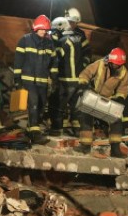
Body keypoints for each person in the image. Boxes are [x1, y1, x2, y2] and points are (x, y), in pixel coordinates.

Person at [78, 47, 128, 158]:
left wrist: (120, 97)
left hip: (108, 100)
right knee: (86, 115)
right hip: (94, 96)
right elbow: (86, 73)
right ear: (110, 61)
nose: (117, 66)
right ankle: (85, 146)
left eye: (119, 65)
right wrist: (83, 84)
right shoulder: (100, 64)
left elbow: (123, 88)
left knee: (116, 119)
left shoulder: (123, 71)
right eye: (115, 64)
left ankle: (115, 149)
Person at [14, 15, 57, 145]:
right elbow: (18, 61)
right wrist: (17, 79)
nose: (44, 32)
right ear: (36, 28)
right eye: (42, 29)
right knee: (33, 104)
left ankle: (30, 130)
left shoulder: (49, 43)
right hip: (28, 80)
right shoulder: (25, 40)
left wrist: (54, 78)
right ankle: (35, 134)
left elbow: (54, 62)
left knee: (41, 106)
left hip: (42, 81)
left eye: (46, 30)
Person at [48, 16, 87, 136]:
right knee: (75, 107)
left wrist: (52, 73)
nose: (55, 33)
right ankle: (78, 130)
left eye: (56, 30)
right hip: (78, 79)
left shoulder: (63, 41)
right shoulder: (78, 39)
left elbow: (57, 59)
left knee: (58, 105)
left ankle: (57, 129)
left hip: (66, 79)